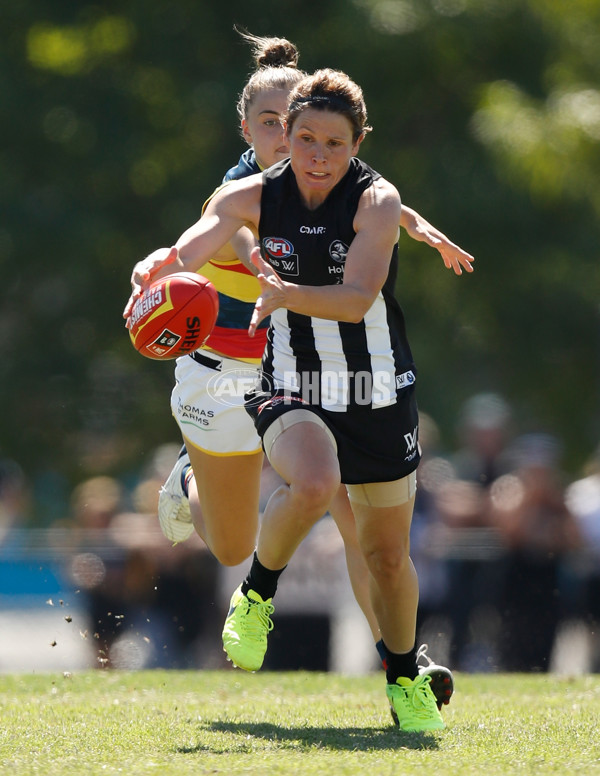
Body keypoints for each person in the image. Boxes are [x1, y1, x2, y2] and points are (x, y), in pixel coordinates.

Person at [125, 64, 471, 731]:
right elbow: (222, 239)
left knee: (365, 535)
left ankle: (403, 665)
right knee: (232, 546)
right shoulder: (243, 193)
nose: (300, 146)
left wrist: (419, 226)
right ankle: (198, 475)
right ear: (257, 128)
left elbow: (375, 203)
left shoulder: (340, 175)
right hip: (225, 373)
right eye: (279, 127)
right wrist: (163, 263)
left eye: (318, 136)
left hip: (311, 373)